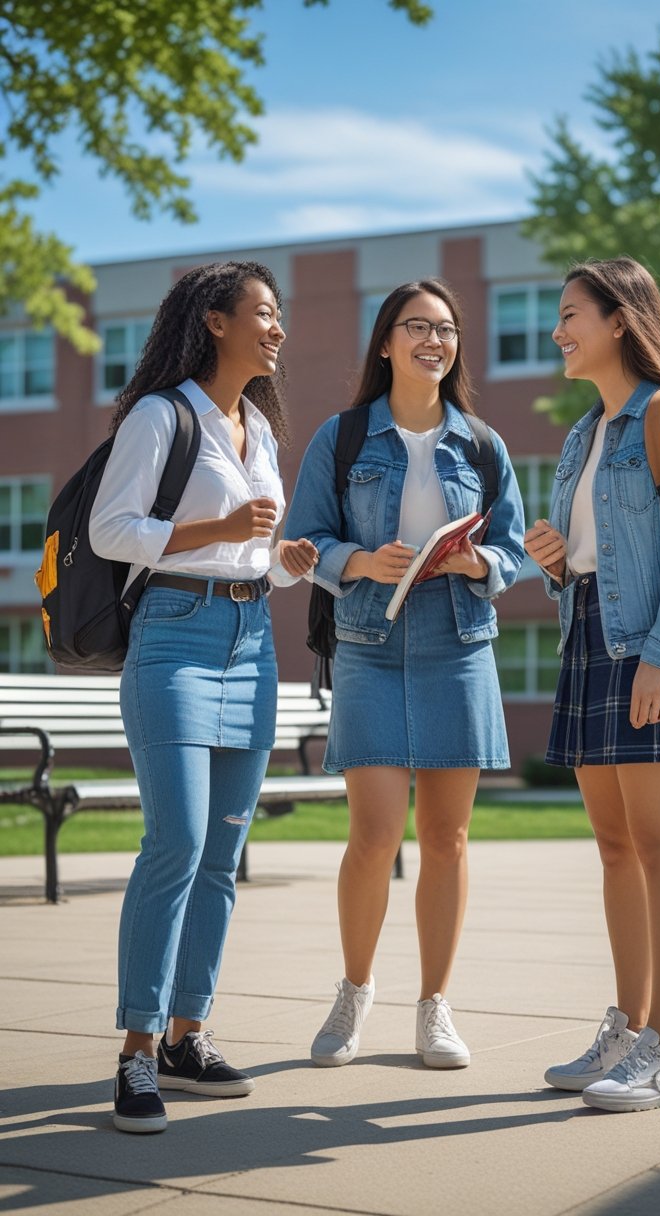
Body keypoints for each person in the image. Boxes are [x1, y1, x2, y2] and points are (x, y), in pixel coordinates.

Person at [89, 261, 318, 1133]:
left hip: (251, 641)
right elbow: (113, 529)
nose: (278, 329)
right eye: (263, 313)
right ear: (215, 321)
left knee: (222, 857)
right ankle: (137, 1052)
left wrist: (283, 561)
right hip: (175, 640)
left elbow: (254, 554)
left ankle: (190, 1036)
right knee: (176, 843)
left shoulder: (257, 427)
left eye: (281, 315)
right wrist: (217, 531)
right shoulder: (162, 414)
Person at [281, 278, 525, 1069]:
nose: (434, 339)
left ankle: (435, 1008)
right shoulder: (343, 437)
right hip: (370, 647)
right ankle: (354, 994)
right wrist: (361, 561)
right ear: (385, 341)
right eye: (416, 326)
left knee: (448, 840)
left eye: (446, 329)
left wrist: (474, 559)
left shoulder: (480, 444)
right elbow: (306, 539)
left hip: (458, 644)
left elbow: (514, 549)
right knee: (373, 836)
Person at [524, 256, 660, 1113]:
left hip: (649, 652)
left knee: (657, 845)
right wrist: (553, 560)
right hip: (589, 642)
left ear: (620, 320)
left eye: (571, 313)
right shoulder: (584, 433)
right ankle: (630, 1027)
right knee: (614, 848)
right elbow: (595, 559)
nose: (557, 330)